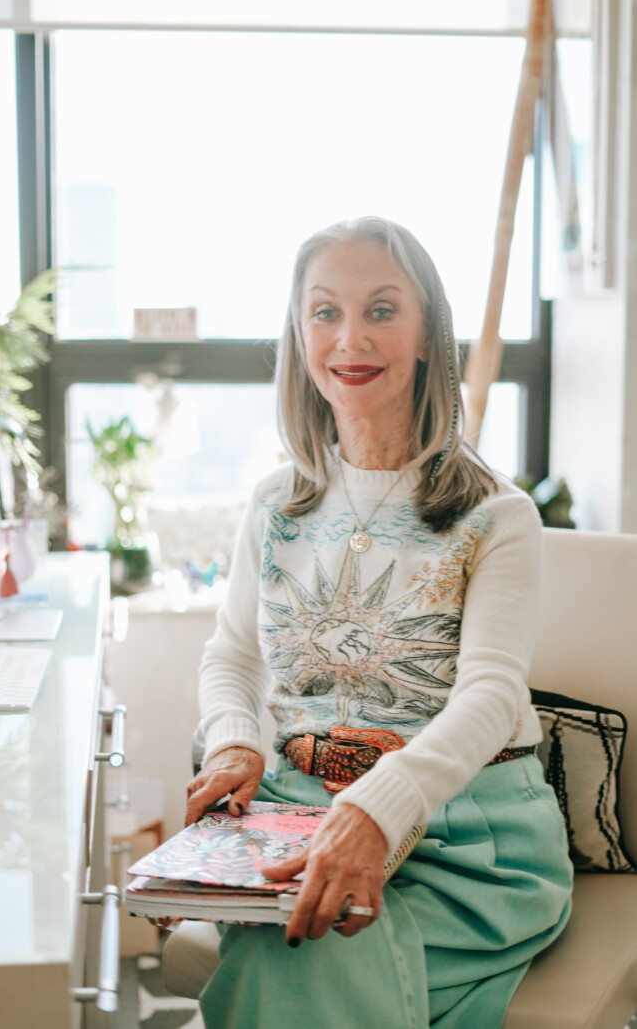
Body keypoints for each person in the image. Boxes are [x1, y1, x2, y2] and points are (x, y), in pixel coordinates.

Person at [184, 216, 573, 1029]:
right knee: (304, 929)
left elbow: (492, 696)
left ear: (428, 331)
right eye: (325, 312)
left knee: (298, 941)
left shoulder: (497, 517)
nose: (350, 338)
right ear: (299, 333)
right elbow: (232, 656)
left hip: (467, 843)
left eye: (382, 310)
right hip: (298, 812)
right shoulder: (274, 503)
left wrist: (372, 808)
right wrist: (233, 740)